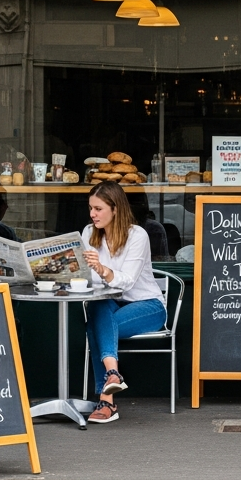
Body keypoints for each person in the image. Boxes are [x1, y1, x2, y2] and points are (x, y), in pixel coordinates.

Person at [81, 181, 166, 424]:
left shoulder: (137, 235)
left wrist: (102, 269)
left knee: (97, 326)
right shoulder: (88, 233)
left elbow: (127, 282)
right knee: (98, 307)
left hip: (148, 305)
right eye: (91, 208)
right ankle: (112, 376)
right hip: (109, 303)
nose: (92, 214)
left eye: (98, 209)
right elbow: (89, 280)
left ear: (115, 209)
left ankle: (106, 400)